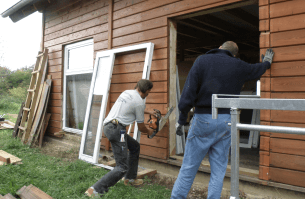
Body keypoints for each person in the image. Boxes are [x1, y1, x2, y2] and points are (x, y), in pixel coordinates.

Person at [171, 41, 274, 199]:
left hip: (203, 119)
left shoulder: (201, 61)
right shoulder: (237, 64)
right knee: (218, 171)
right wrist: (266, 62)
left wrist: (182, 118)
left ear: (219, 48)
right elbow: (256, 70)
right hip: (227, 120)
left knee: (189, 167)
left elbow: (188, 92)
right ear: (234, 54)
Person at [85, 79, 158, 197]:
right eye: (149, 92)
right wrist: (149, 131)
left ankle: (130, 179)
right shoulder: (139, 102)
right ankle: (95, 190)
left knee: (134, 146)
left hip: (112, 127)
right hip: (117, 131)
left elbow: (132, 106)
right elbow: (141, 127)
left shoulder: (127, 93)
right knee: (122, 166)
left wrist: (149, 111)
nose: (148, 94)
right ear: (146, 91)